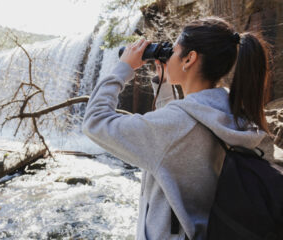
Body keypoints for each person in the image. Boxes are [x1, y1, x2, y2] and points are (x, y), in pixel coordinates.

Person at [82, 17, 271, 239]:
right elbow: (175, 144)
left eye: (174, 50)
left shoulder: (175, 127)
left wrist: (123, 68)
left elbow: (94, 121)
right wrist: (163, 85)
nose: (169, 55)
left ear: (189, 58)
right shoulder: (235, 113)